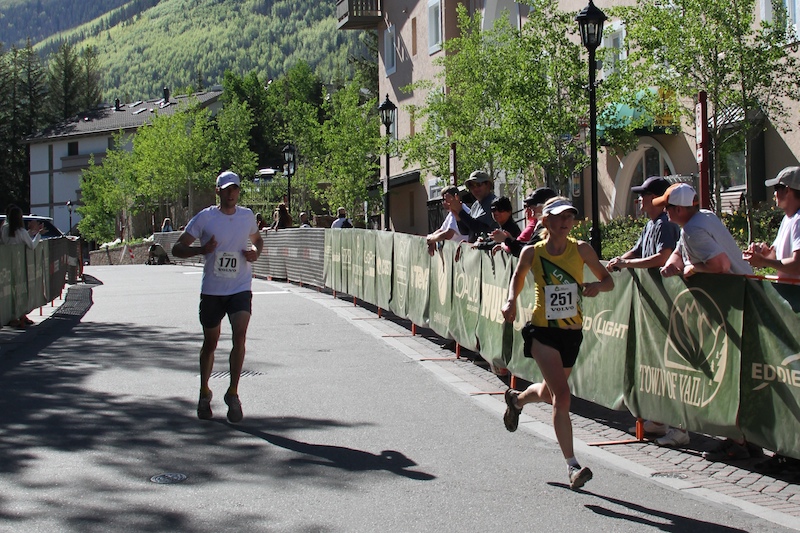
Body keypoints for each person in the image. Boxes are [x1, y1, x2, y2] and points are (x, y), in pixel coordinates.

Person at [501, 196, 614, 490]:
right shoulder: (533, 252)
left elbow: (608, 280)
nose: (566, 222)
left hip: (572, 334)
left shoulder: (582, 249)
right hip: (542, 332)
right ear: (546, 221)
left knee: (549, 392)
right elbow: (518, 277)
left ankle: (516, 400)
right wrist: (511, 300)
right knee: (562, 397)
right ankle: (572, 466)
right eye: (559, 216)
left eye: (570, 216)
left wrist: (597, 286)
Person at [655, 183, 756, 461]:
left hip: (734, 307)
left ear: (678, 209)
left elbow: (720, 265)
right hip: (740, 303)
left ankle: (738, 441)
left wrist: (693, 268)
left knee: (728, 374)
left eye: (667, 208)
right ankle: (745, 438)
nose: (665, 212)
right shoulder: (702, 218)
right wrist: (674, 262)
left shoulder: (694, 229)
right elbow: (680, 248)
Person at [171, 171, 264, 423]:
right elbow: (177, 248)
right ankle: (204, 391)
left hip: (240, 287)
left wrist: (255, 252)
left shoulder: (246, 216)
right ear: (218, 191)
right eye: (226, 189)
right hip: (213, 290)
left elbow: (257, 240)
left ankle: (233, 393)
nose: (231, 194)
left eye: (235, 189)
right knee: (210, 343)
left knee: (240, 335)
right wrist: (202, 249)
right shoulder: (205, 218)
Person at [606, 176, 686, 447]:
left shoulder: (665, 224)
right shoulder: (651, 224)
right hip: (654, 305)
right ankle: (660, 419)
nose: (640, 200)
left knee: (671, 365)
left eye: (644, 195)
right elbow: (639, 249)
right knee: (655, 365)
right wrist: (621, 259)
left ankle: (680, 426)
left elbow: (663, 257)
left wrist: (628, 265)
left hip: (670, 303)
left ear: (656, 198)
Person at [743, 166, 800, 474]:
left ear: (789, 191)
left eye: (777, 189)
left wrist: (764, 260)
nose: (774, 194)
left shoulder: (799, 219)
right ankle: (787, 450)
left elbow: (796, 264)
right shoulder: (789, 219)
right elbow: (779, 254)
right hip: (787, 308)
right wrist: (763, 252)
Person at [1, 204, 45, 328]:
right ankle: (20, 316)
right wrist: (38, 234)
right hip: (19, 265)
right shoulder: (21, 231)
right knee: (20, 291)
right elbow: (31, 245)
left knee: (8, 292)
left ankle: (13, 316)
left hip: (6, 265)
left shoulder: (5, 229)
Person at [500, 187, 558, 257]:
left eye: (534, 204)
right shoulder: (541, 224)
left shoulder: (549, 226)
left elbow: (527, 252)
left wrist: (507, 240)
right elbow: (529, 246)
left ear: (547, 206)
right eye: (528, 205)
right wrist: (510, 240)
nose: (530, 208)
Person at [448, 170, 497, 242]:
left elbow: (479, 229)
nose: (475, 188)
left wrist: (460, 211)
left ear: (488, 185)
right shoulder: (475, 205)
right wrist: (457, 216)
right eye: (471, 185)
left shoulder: (494, 203)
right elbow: (466, 231)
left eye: (478, 184)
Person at [426, 186, 470, 255]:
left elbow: (448, 234)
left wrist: (432, 239)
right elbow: (442, 230)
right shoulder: (452, 212)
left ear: (455, 197)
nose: (444, 203)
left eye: (446, 199)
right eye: (443, 200)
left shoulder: (461, 210)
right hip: (459, 254)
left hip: (466, 253)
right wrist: (432, 237)